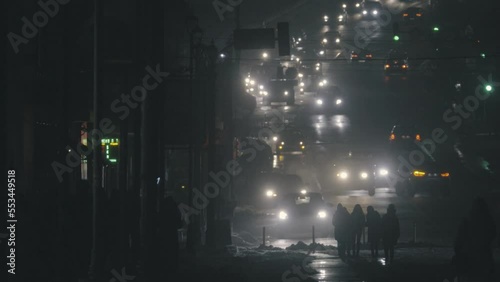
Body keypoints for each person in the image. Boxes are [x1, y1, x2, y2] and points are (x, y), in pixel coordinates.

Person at [453, 197, 496, 281]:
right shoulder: (488, 222)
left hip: (469, 259)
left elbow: (457, 243)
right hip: (484, 260)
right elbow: (492, 235)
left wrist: (459, 253)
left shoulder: (467, 222)